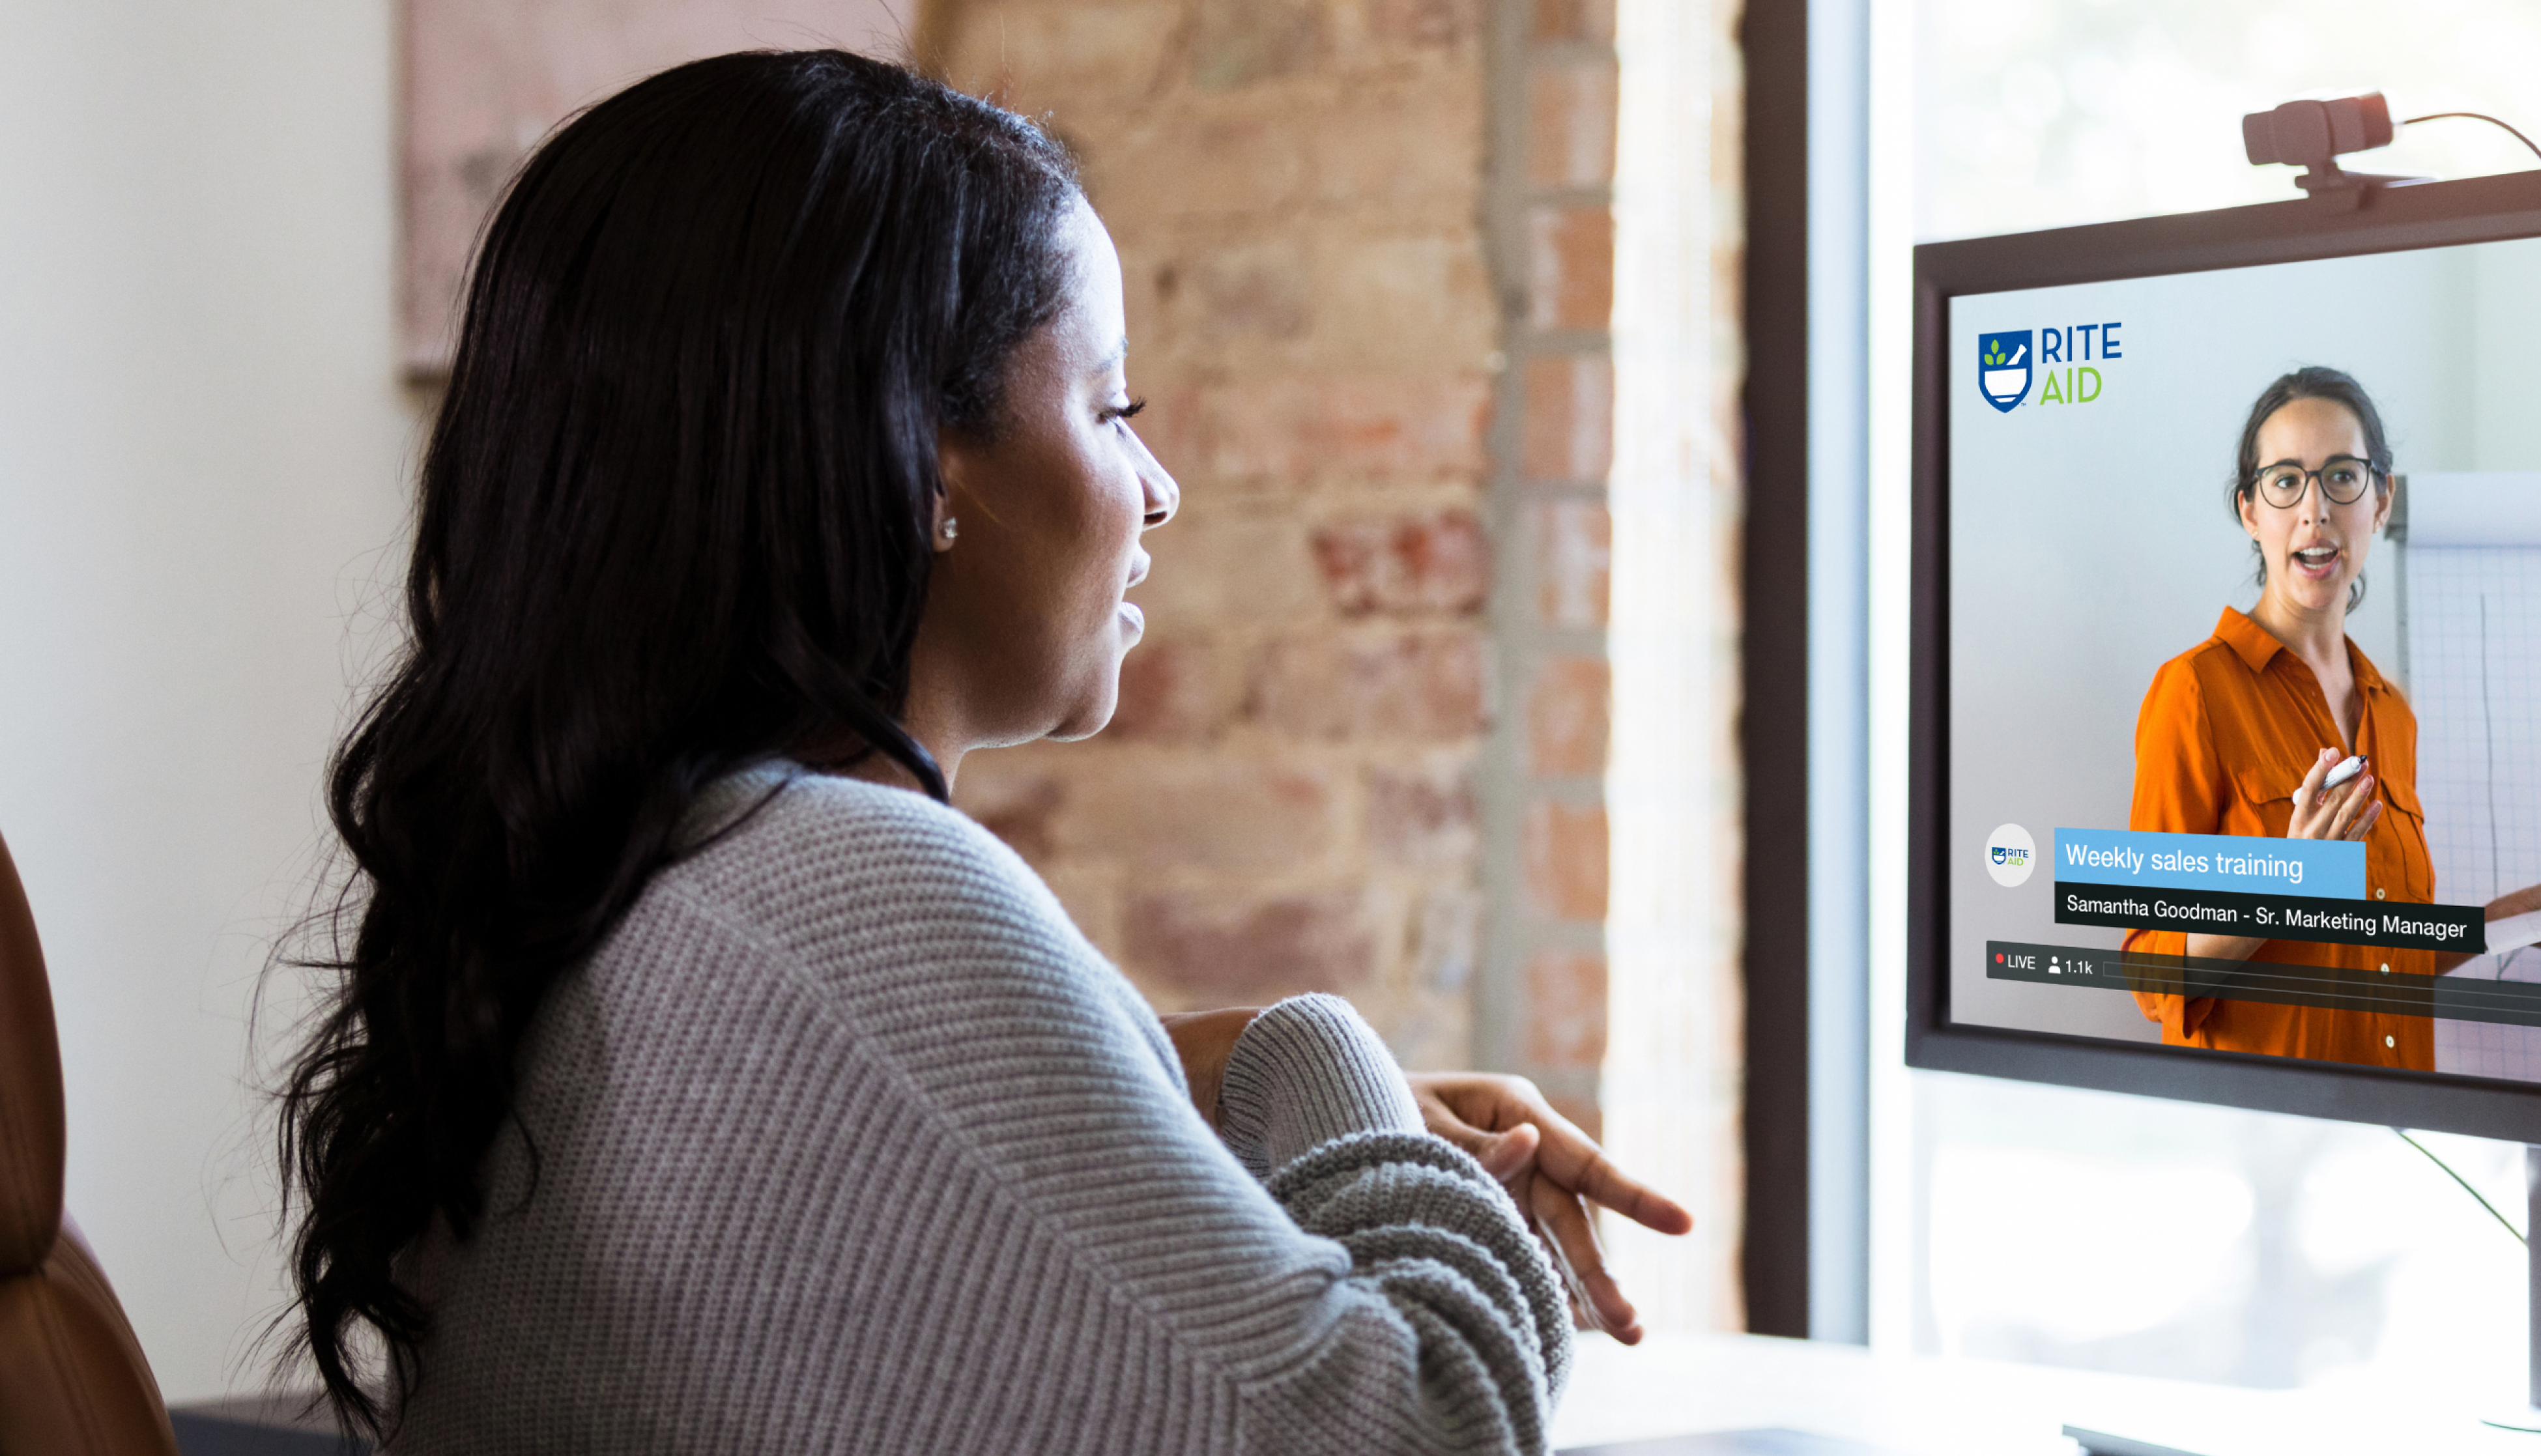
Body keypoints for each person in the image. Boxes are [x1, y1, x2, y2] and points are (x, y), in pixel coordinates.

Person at [274, 52, 1689, 1455]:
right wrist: (1309, 1049)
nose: (1160, 489)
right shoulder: (845, 884)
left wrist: (1154, 1073)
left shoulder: (629, 880)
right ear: (926, 459)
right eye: (1111, 408)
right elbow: (1430, 1429)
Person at [2123, 366, 2541, 1067]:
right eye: (2285, 481)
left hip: (2399, 1125)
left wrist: (2510, 921)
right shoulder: (2194, 692)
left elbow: (2383, 961)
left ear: (2380, 499)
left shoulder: (2393, 713)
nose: (2315, 511)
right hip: (2272, 1133)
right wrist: (2290, 879)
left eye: (2342, 476)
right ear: (2251, 512)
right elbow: (2152, 978)